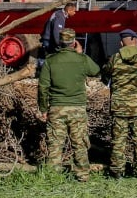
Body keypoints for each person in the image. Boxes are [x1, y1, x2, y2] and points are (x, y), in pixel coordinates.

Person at [38, 28, 100, 181]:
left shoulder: (50, 61)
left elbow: (43, 87)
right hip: (77, 109)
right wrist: (80, 53)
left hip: (56, 109)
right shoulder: (81, 59)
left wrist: (43, 108)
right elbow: (96, 70)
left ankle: (53, 177)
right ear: (74, 42)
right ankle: (83, 175)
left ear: (60, 42)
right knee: (79, 143)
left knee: (55, 144)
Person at [102, 29, 137, 178]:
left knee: (118, 141)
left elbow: (105, 75)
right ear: (136, 41)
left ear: (121, 43)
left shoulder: (115, 59)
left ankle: (117, 172)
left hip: (120, 107)